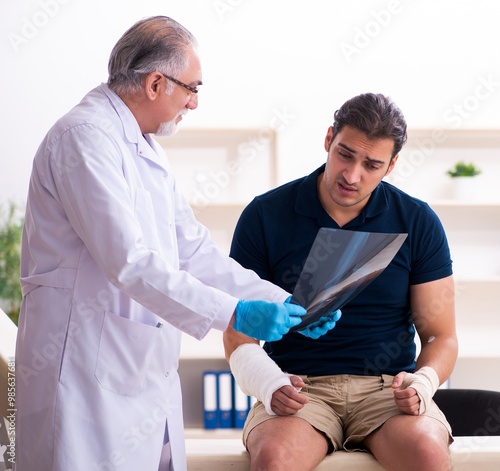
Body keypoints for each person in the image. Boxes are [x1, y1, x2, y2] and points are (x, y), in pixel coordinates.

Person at [14, 16, 342, 471]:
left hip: (135, 369)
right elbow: (129, 262)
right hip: (82, 370)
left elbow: (194, 252)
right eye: (192, 88)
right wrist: (234, 314)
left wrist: (283, 302)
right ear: (155, 83)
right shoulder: (84, 138)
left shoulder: (145, 148)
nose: (194, 102)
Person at [225, 93, 458, 471]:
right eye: (345, 155)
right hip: (297, 387)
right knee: (274, 460)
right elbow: (238, 331)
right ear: (328, 139)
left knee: (429, 455)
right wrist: (268, 383)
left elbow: (440, 336)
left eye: (371, 165)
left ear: (392, 165)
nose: (352, 175)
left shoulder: (417, 220)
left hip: (388, 390)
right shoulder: (265, 215)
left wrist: (423, 383)